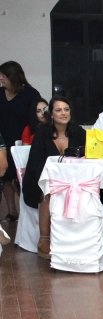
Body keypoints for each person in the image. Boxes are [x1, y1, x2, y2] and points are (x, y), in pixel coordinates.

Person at [22, 96, 86, 259]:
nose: (63, 113)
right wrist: (50, 182)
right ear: (51, 114)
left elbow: (88, 159)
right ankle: (44, 239)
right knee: (48, 192)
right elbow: (36, 163)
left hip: (74, 179)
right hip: (43, 179)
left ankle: (76, 241)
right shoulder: (42, 132)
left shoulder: (79, 132)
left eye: (66, 109)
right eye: (58, 110)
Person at [0, 61, 41, 221]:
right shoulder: (0, 93)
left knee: (20, 179)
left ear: (13, 77)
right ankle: (12, 211)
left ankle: (28, 212)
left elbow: (36, 120)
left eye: (3, 76)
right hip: (3, 143)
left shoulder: (31, 94)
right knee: (5, 177)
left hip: (23, 144)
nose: (1, 79)